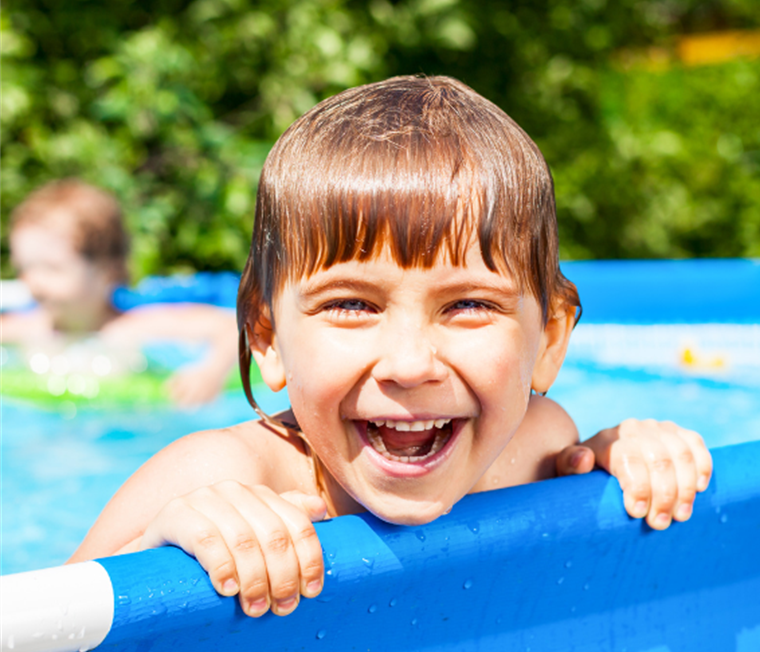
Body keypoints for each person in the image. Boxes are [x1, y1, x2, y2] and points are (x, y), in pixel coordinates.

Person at [69, 76, 713, 619]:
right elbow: (36, 627)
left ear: (549, 342)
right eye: (351, 305)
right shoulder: (214, 477)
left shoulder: (540, 446)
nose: (410, 365)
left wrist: (619, 456)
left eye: (469, 305)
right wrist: (151, 556)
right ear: (266, 339)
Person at [2, 180, 238, 406]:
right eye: (24, 267)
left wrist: (211, 372)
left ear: (107, 270)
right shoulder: (27, 328)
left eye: (51, 268)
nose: (32, 281)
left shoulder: (135, 326)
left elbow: (232, 327)